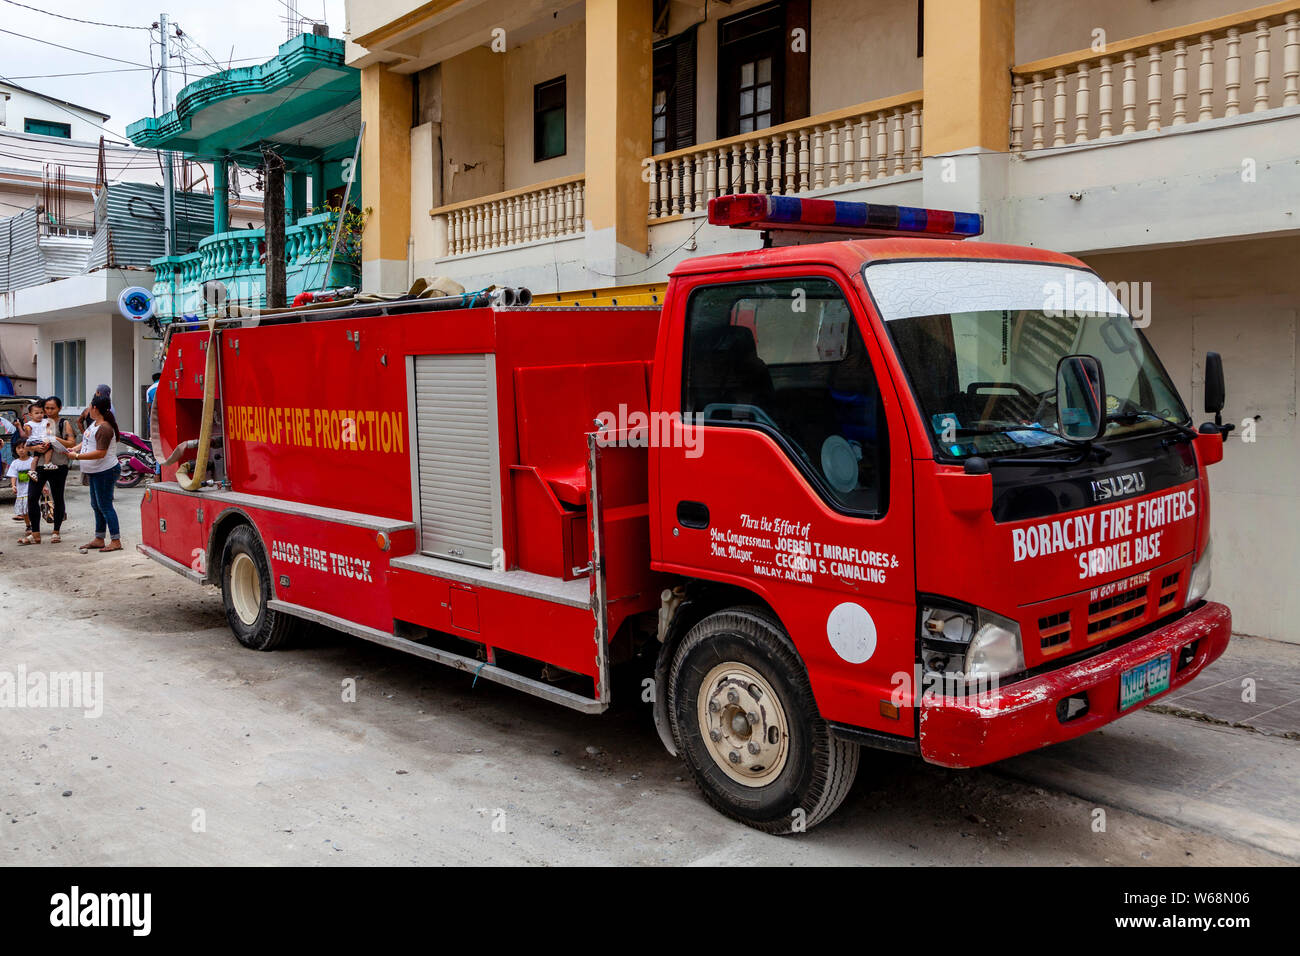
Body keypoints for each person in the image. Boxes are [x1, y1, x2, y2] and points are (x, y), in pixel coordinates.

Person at [67, 394, 122, 553]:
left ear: (95, 408)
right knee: (96, 505)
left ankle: (115, 540)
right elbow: (87, 441)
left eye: (90, 406)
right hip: (95, 471)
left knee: (105, 506)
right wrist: (75, 449)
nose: (88, 409)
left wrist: (76, 457)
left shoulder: (105, 428)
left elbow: (100, 453)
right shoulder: (95, 424)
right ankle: (99, 538)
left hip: (105, 471)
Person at [21, 396, 76, 546]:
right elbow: (26, 444)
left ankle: (56, 531)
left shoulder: (63, 423)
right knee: (32, 497)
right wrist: (34, 448)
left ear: (59, 408)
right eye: (47, 408)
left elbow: (72, 443)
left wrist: (54, 439)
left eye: (52, 408)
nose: (48, 411)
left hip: (58, 465)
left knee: (58, 498)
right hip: (39, 465)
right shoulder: (37, 422)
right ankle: (35, 533)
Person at [7, 443, 32, 530]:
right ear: (15, 450)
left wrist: (44, 487)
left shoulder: (32, 461)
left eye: (23, 448)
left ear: (28, 449)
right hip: (21, 490)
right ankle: (28, 525)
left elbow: (38, 475)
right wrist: (13, 485)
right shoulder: (15, 463)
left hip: (32, 489)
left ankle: (34, 524)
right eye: (18, 448)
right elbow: (13, 475)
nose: (21, 450)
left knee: (32, 508)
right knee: (24, 510)